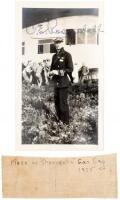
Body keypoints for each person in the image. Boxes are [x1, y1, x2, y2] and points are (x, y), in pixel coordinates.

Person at [49, 37, 73, 124]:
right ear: (54, 44)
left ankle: (66, 124)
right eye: (56, 43)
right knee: (57, 103)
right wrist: (50, 73)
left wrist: (58, 72)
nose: (57, 44)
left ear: (62, 43)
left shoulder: (67, 55)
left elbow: (70, 69)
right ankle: (59, 121)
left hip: (63, 83)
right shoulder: (54, 56)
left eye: (59, 42)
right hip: (56, 83)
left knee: (63, 104)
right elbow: (52, 69)